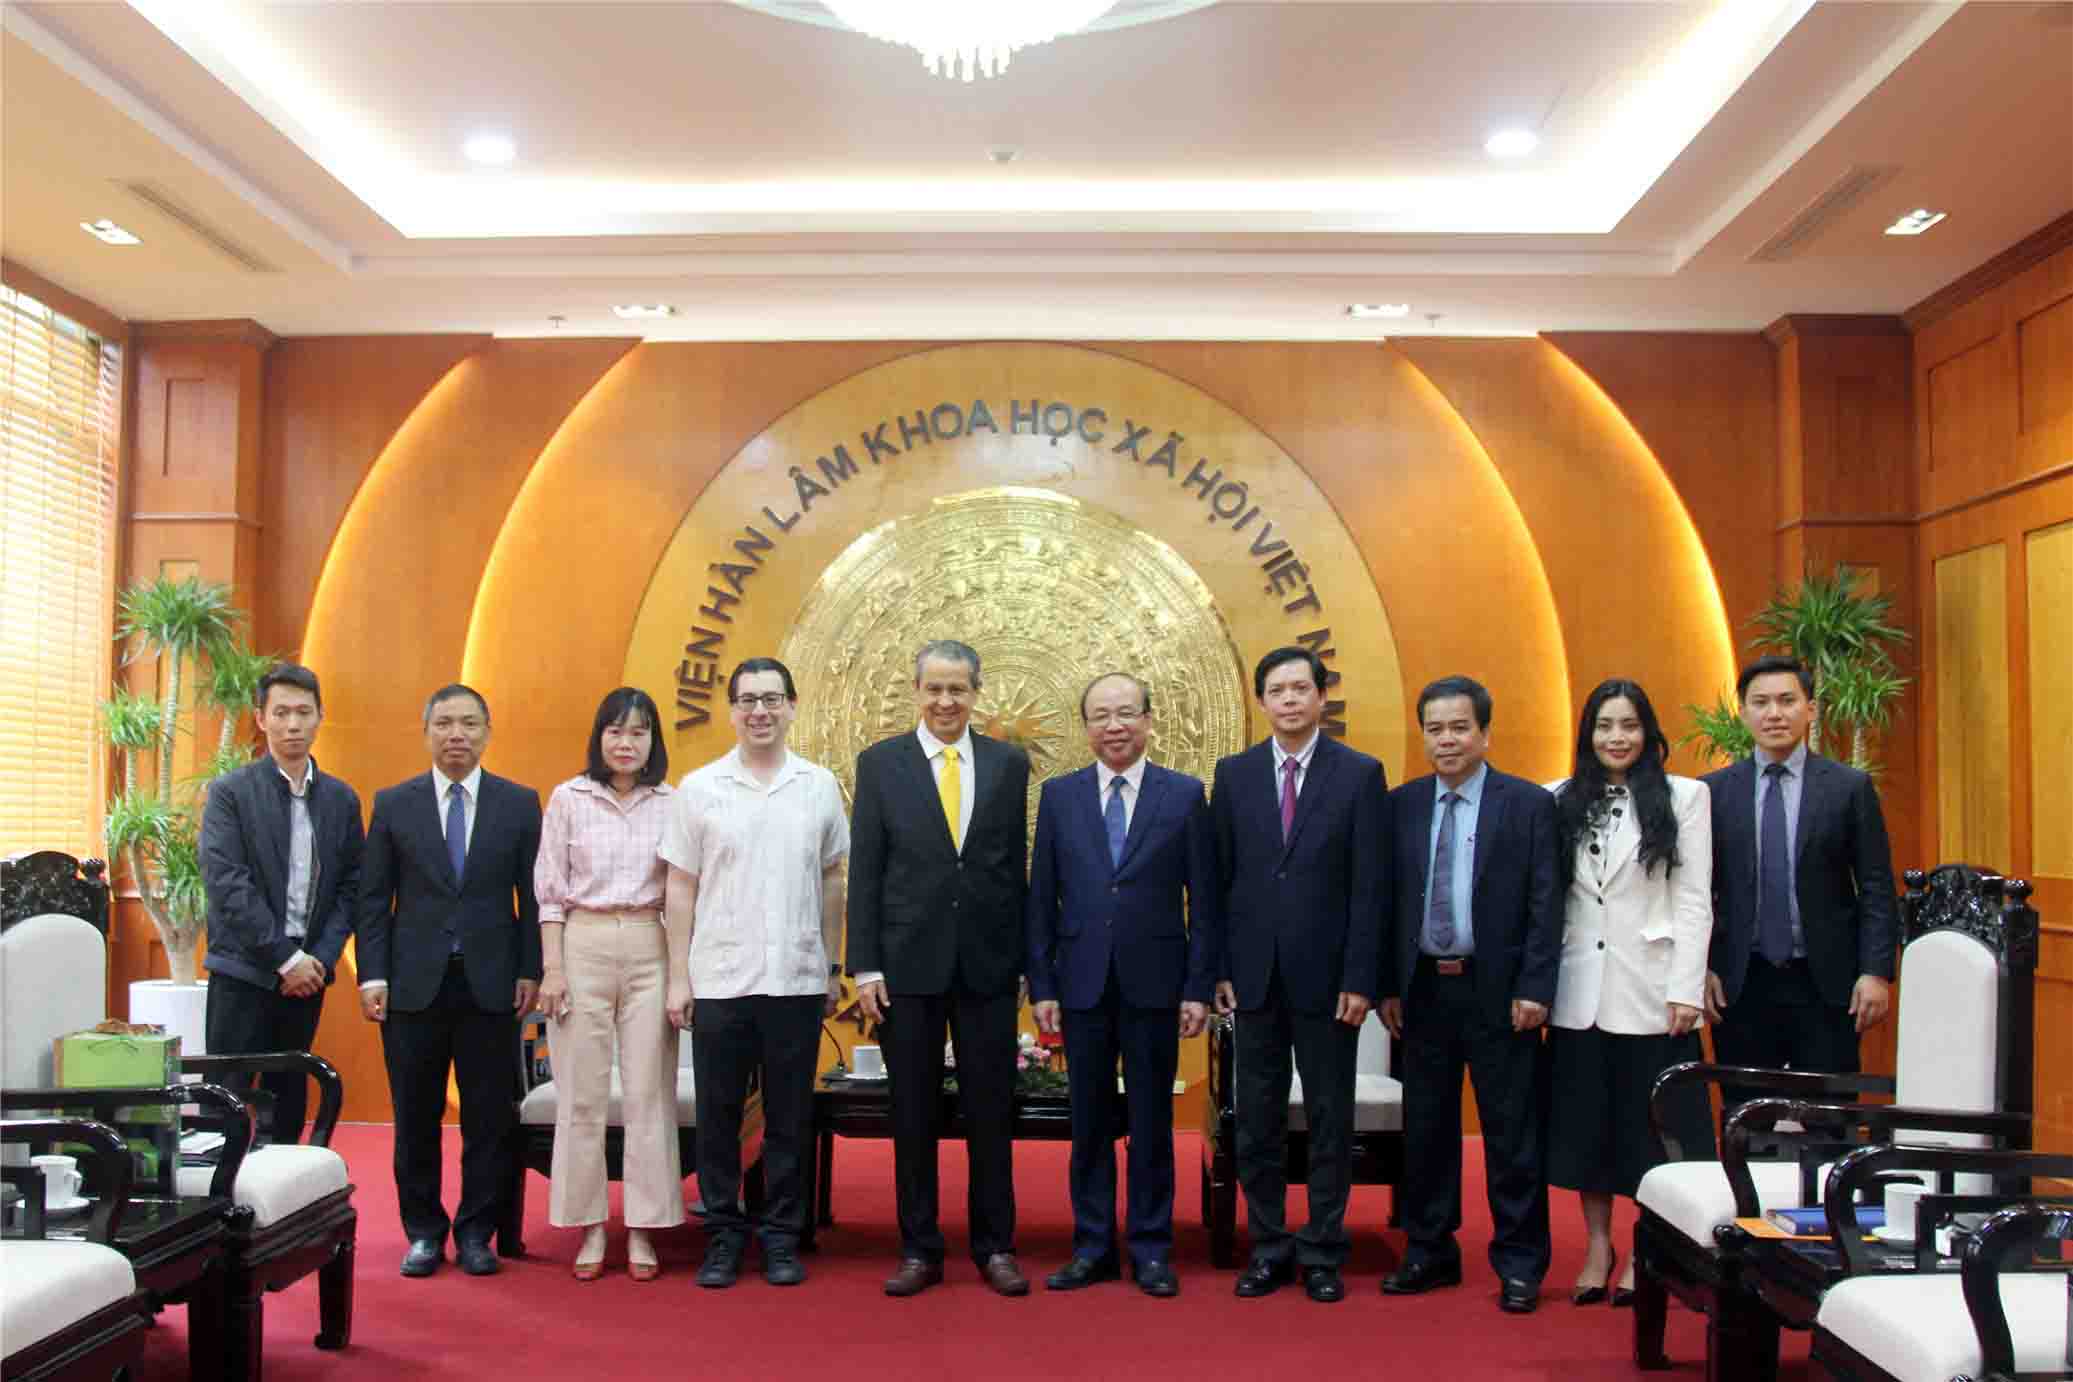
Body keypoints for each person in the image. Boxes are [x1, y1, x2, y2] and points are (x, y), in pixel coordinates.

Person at [847, 639, 1032, 1298]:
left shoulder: (1008, 764)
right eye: (934, 689)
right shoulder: (881, 764)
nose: (946, 701)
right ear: (916, 692)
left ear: (976, 693)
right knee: (913, 1114)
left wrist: (1023, 963)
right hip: (905, 969)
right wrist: (865, 966)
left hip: (987, 967)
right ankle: (919, 1248)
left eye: (958, 689)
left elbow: (1013, 870)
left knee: (991, 1113)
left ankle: (995, 1247)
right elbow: (866, 870)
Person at [1027, 672, 1218, 1299]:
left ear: (1148, 720)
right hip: (1080, 984)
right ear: (1086, 727)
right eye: (1101, 716)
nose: (1115, 726)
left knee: (1151, 1121)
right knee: (1088, 1124)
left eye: (1127, 713)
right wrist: (1043, 984)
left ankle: (1152, 1248)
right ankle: (1092, 1247)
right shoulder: (1060, 797)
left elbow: (1204, 902)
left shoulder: (1184, 795)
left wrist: (1197, 987)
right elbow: (1042, 899)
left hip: (1156, 984)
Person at [660, 658, 849, 1290]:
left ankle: (781, 1237)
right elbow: (680, 887)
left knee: (790, 1118)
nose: (759, 711)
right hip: (720, 978)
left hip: (796, 978)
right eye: (747, 700)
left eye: (771, 699)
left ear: (792, 706)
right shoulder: (699, 788)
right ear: (732, 710)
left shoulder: (818, 785)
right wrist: (678, 978)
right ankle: (721, 1235)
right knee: (717, 1117)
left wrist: (830, 965)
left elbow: (832, 878)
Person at [1211, 646, 1388, 1304]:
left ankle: (1321, 1249)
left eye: (1300, 688)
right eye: (1277, 690)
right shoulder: (1233, 775)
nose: (1289, 700)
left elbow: (1371, 887)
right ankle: (1266, 1245)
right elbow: (1219, 881)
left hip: (1330, 982)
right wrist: (1219, 969)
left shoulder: (1359, 774)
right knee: (1255, 1120)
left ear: (1321, 696)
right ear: (1262, 701)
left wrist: (1360, 978)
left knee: (1328, 1118)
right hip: (1252, 979)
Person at [1379, 675, 1559, 1315]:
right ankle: (1429, 1249)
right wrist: (1387, 986)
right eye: (1435, 729)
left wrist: (1536, 987)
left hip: (1500, 992)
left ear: (1485, 732)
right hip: (1423, 990)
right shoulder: (1401, 805)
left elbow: (1547, 903)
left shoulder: (1528, 805)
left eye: (1459, 727)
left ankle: (1520, 1262)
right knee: (1426, 1131)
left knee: (1511, 1134)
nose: (1447, 740)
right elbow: (1386, 903)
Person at [357, 684, 542, 1279]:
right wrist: (372, 974)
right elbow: (373, 899)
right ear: (427, 732)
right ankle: (423, 1233)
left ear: (487, 732)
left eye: (468, 723)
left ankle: (477, 1232)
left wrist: (531, 969)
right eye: (444, 723)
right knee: (415, 1115)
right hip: (412, 985)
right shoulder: (394, 803)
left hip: (492, 983)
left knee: (489, 1117)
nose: (456, 734)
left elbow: (534, 898)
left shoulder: (519, 803)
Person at [1543, 679, 1713, 1306]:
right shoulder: (1556, 798)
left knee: (1652, 1134)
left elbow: (1693, 900)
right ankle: (1597, 1245)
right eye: (1605, 726)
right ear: (1587, 734)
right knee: (1587, 1131)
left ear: (1649, 732)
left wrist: (1687, 987)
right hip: (1577, 991)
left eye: (1630, 725)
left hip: (1654, 992)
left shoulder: (1686, 797)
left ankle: (1648, 1248)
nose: (1617, 738)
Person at [532, 687, 680, 1282]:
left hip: (650, 942)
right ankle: (589, 1225)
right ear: (599, 737)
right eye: (615, 731)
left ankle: (643, 1226)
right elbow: (549, 893)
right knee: (581, 1093)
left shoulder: (673, 802)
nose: (626, 743)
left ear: (653, 742)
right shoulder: (569, 798)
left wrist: (682, 974)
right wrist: (553, 968)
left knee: (649, 1092)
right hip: (582, 944)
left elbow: (682, 893)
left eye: (638, 732)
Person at [1703, 655, 1897, 1102]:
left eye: (1787, 701)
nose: (1774, 713)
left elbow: (1875, 886)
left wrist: (1875, 972)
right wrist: (1703, 967)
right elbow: (1697, 892)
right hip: (1741, 982)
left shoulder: (1848, 787)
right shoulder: (1713, 791)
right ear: (1743, 712)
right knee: (1746, 1113)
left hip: (1826, 981)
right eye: (1761, 703)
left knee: (1829, 1113)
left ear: (1810, 709)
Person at [199, 662, 363, 1145]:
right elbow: (228, 884)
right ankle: (221, 1190)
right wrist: (285, 959)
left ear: (320, 717)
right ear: (261, 718)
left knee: (289, 1097)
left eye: (303, 713)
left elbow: (352, 887)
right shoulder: (231, 793)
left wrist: (319, 960)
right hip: (244, 970)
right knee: (226, 1102)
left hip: (307, 976)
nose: (293, 724)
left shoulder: (341, 799)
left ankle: (285, 1187)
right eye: (281, 712)